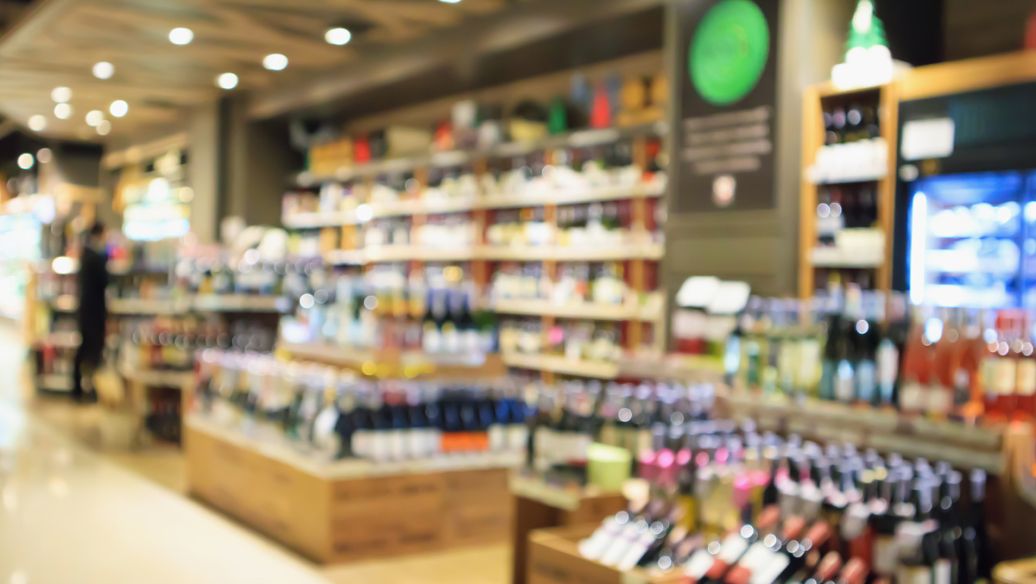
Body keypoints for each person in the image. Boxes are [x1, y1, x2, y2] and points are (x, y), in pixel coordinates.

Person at [73, 221, 108, 402]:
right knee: (91, 349)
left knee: (85, 347)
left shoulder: (86, 254)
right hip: (93, 312)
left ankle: (79, 387)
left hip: (86, 310)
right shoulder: (95, 257)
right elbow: (104, 281)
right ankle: (89, 387)